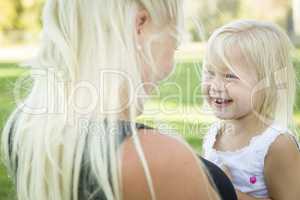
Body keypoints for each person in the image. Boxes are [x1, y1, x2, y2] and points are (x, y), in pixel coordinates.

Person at [1, 0, 237, 200]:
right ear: (140, 25)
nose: (169, 67)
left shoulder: (25, 129)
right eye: (173, 45)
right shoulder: (153, 158)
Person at [201, 19, 300, 200]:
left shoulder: (277, 145)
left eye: (230, 76)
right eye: (209, 72)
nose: (215, 85)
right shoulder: (214, 134)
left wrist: (226, 192)